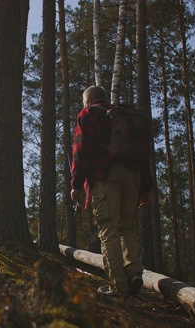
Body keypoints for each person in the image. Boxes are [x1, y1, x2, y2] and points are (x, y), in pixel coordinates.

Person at [70, 85, 152, 297]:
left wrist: (76, 185)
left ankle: (118, 287)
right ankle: (134, 272)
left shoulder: (88, 114)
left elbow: (81, 151)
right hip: (134, 176)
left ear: (88, 101)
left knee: (108, 231)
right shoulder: (124, 116)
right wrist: (145, 188)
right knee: (126, 228)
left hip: (106, 175)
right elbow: (144, 155)